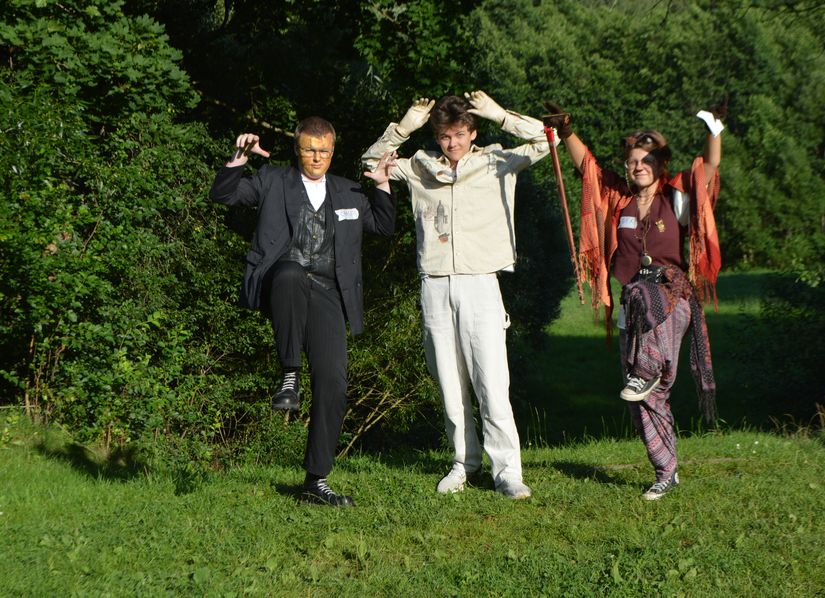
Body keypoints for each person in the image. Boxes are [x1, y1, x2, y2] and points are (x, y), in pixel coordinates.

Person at [362, 91, 556, 499]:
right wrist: (406, 125)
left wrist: (498, 114)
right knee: (450, 384)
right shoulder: (421, 165)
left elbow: (547, 140)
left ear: (472, 132)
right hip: (434, 284)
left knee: (491, 382)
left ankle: (507, 472)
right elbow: (370, 163)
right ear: (437, 136)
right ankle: (463, 463)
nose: (452, 143)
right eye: (445, 136)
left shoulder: (497, 160)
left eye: (460, 134)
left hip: (481, 281)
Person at [210, 117, 397, 507]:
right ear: (298, 149)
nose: (317, 157)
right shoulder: (273, 180)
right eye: (310, 149)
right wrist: (239, 159)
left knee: (333, 382)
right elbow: (224, 196)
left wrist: (382, 183)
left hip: (328, 292)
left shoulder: (347, 191)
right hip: (282, 283)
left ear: (333, 151)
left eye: (324, 151)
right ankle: (290, 373)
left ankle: (316, 481)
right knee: (292, 272)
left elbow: (383, 225)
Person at [543, 99, 724, 500]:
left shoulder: (676, 195)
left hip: (670, 297)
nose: (638, 167)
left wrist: (714, 129)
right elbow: (588, 170)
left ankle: (648, 367)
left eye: (646, 160)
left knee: (652, 381)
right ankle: (666, 470)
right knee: (643, 398)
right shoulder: (619, 198)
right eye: (632, 161)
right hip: (632, 302)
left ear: (660, 164)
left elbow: (709, 167)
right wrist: (566, 131)